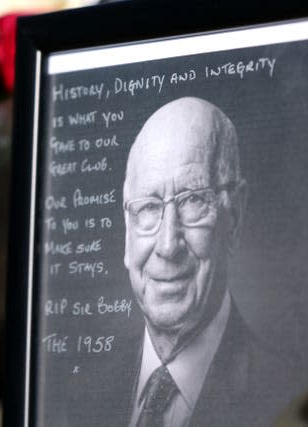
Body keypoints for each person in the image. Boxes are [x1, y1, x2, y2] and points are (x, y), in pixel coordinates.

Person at [117, 97, 298, 427]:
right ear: (128, 228)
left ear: (235, 215)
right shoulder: (77, 386)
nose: (168, 245)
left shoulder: (287, 391)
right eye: (148, 208)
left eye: (194, 201)